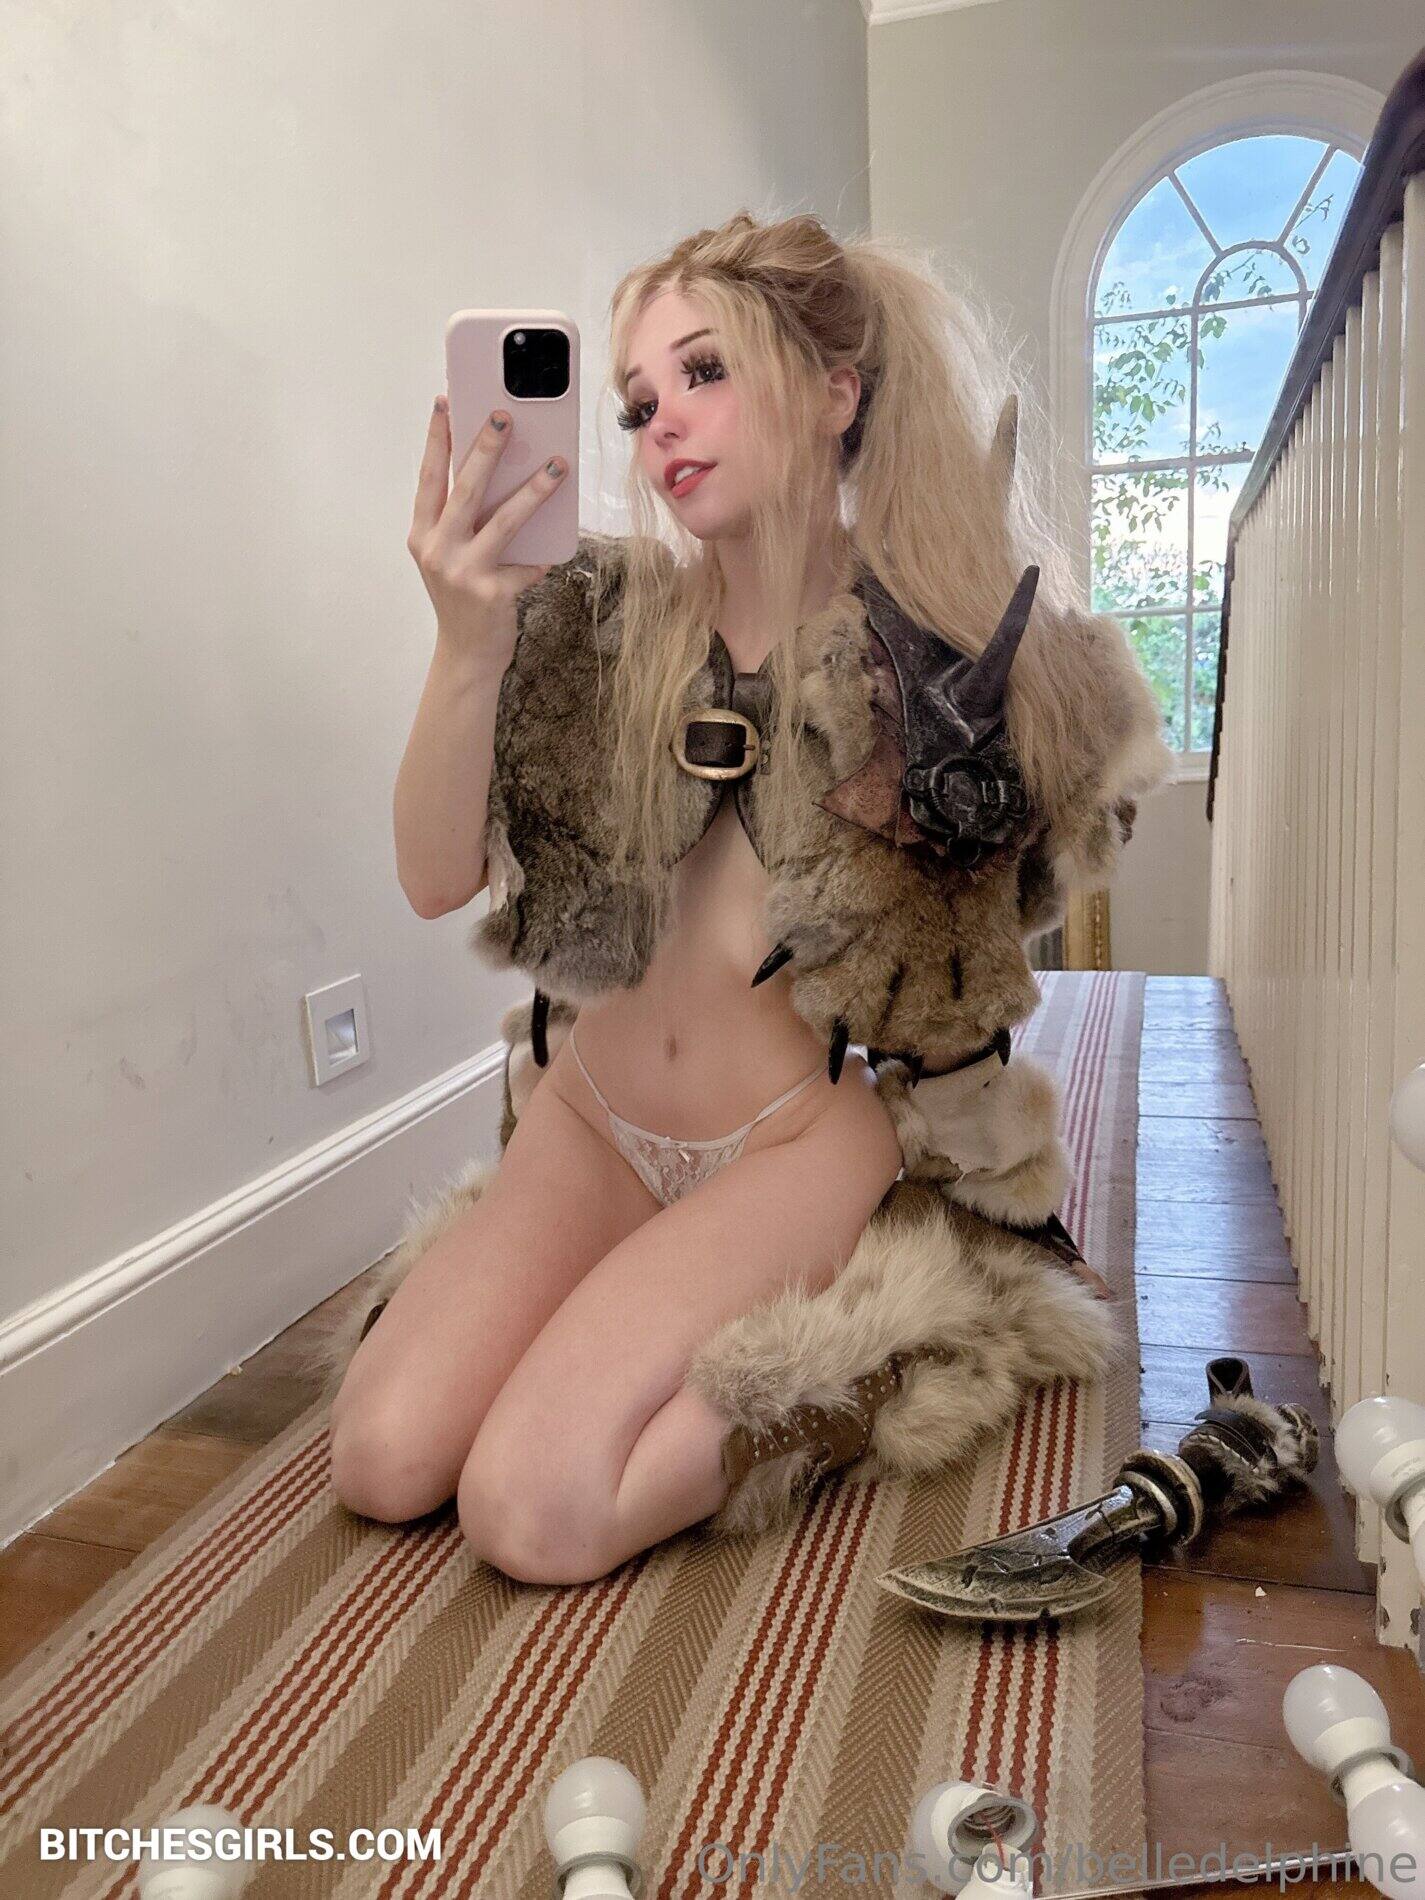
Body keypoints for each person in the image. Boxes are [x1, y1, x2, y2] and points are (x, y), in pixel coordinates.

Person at [328, 211, 1169, 1586]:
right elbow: (433, 879)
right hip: (593, 1120)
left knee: (533, 1510)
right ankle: (632, 1299)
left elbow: (1000, 916)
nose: (662, 420)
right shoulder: (598, 620)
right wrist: (468, 641)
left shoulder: (932, 655)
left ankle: (863, 1366)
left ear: (837, 392)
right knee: (383, 1457)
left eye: (705, 371)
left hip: (792, 1140)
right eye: (637, 401)